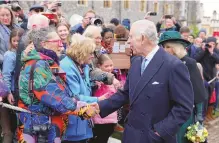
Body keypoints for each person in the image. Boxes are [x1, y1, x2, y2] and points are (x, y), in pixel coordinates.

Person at [85, 19, 194, 143]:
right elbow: (125, 93)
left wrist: (160, 131)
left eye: (131, 37)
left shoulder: (173, 65)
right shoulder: (136, 62)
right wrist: (99, 106)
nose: (128, 41)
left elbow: (184, 107)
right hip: (132, 135)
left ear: (142, 38)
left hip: (154, 138)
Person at [18, 28, 84, 143]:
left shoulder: (47, 62)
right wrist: (79, 107)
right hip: (39, 125)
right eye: (57, 42)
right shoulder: (39, 64)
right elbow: (51, 95)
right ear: (44, 44)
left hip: (47, 122)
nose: (61, 46)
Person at [158, 31, 207, 143]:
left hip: (184, 113)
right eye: (163, 47)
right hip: (165, 113)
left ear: (176, 48)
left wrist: (199, 116)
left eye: (168, 47)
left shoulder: (189, 63)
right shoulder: (162, 64)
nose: (164, 50)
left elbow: (198, 91)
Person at [60, 34, 104, 143]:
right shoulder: (67, 66)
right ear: (82, 52)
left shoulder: (83, 65)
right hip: (72, 124)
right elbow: (75, 97)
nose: (92, 56)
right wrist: (98, 99)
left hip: (82, 122)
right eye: (90, 53)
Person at [90, 54, 118, 143]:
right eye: (106, 66)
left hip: (111, 118)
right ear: (99, 66)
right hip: (100, 118)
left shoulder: (112, 78)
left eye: (111, 65)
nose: (109, 68)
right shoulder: (97, 81)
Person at [0, 4, 19, 69]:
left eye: (7, 15)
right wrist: (6, 60)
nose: (5, 18)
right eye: (2, 15)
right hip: (4, 65)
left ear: (11, 15)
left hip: (19, 63)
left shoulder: (17, 27)